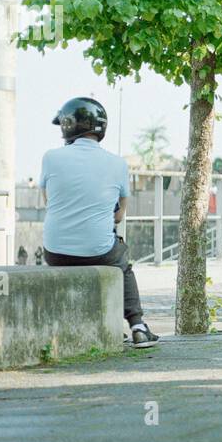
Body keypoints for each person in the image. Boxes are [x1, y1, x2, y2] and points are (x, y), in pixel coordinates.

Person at [40, 97, 159, 347]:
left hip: (55, 252)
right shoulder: (117, 163)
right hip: (99, 251)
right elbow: (118, 215)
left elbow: (48, 202)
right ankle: (137, 324)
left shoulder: (50, 158)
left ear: (67, 126)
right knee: (121, 261)